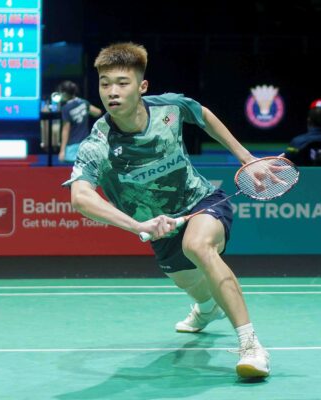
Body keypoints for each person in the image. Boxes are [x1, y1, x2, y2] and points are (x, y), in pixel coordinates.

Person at [63, 42, 270, 379]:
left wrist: (246, 158)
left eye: (122, 83)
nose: (112, 92)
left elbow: (202, 114)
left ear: (142, 86)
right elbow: (81, 197)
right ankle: (206, 309)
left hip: (201, 202)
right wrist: (138, 226)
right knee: (192, 285)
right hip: (159, 228)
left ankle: (251, 345)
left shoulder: (168, 108)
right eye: (105, 84)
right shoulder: (99, 143)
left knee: (197, 246)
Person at [57, 80, 103, 163]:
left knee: (73, 169)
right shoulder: (83, 103)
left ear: (64, 93)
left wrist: (62, 151)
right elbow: (98, 112)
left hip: (72, 146)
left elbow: (65, 130)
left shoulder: (66, 108)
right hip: (85, 145)